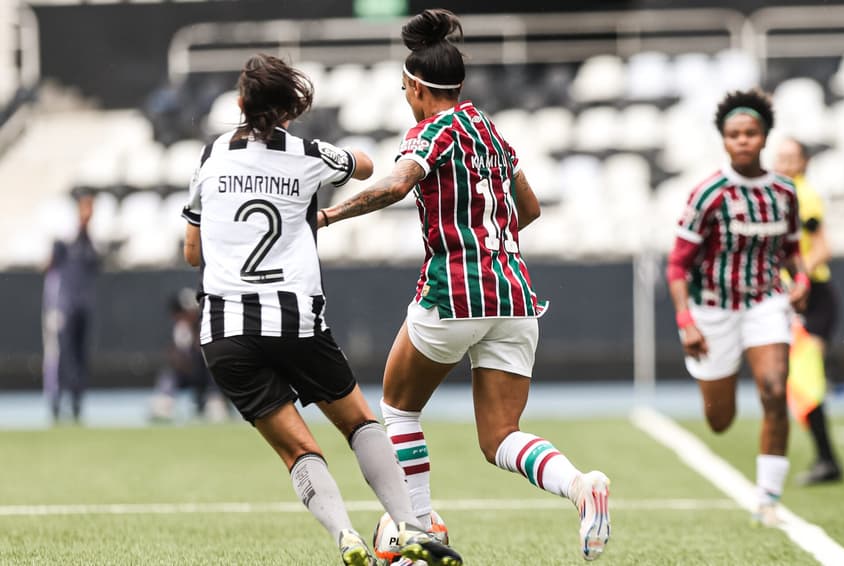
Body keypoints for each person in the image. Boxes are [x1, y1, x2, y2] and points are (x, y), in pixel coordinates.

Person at [318, 9, 611, 562]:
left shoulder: (431, 131)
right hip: (516, 295)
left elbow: (398, 183)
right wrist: (487, 234)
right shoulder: (488, 128)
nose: (405, 96)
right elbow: (529, 208)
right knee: (500, 436)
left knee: (399, 409)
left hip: (454, 293)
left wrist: (330, 218)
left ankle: (418, 530)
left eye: (405, 88)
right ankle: (580, 486)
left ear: (420, 89)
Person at [181, 53, 461, 566]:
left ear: (241, 103)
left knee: (298, 451)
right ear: (288, 108)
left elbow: (192, 253)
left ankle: (346, 538)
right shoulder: (307, 153)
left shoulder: (211, 155)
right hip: (295, 320)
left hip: (225, 331)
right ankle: (411, 525)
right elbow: (366, 166)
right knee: (358, 422)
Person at [666, 90, 810, 526]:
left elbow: (790, 250)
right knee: (720, 420)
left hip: (766, 302)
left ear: (764, 137)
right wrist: (686, 320)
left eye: (750, 133)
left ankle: (768, 499)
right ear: (724, 140)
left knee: (773, 388)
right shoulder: (709, 193)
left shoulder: (784, 191)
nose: (743, 141)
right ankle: (717, 389)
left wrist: (800, 279)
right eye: (734, 135)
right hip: (712, 311)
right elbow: (676, 264)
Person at [773, 137, 843, 486]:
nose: (784, 163)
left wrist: (797, 277)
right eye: (779, 157)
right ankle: (826, 458)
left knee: (805, 379)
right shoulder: (778, 195)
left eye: (791, 158)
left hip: (814, 298)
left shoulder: (804, 196)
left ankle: (828, 460)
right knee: (799, 381)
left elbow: (822, 247)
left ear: (803, 163)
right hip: (797, 297)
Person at [42, 188, 99, 423]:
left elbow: (96, 266)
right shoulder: (65, 239)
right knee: (60, 353)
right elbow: (49, 267)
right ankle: (56, 401)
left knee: (80, 354)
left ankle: (76, 403)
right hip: (64, 305)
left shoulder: (90, 241)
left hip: (83, 305)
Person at [149, 288, 229, 423]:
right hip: (191, 372)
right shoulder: (180, 330)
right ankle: (164, 403)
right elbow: (176, 359)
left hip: (214, 376)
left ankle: (215, 402)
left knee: (215, 365)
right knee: (169, 374)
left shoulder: (210, 324)